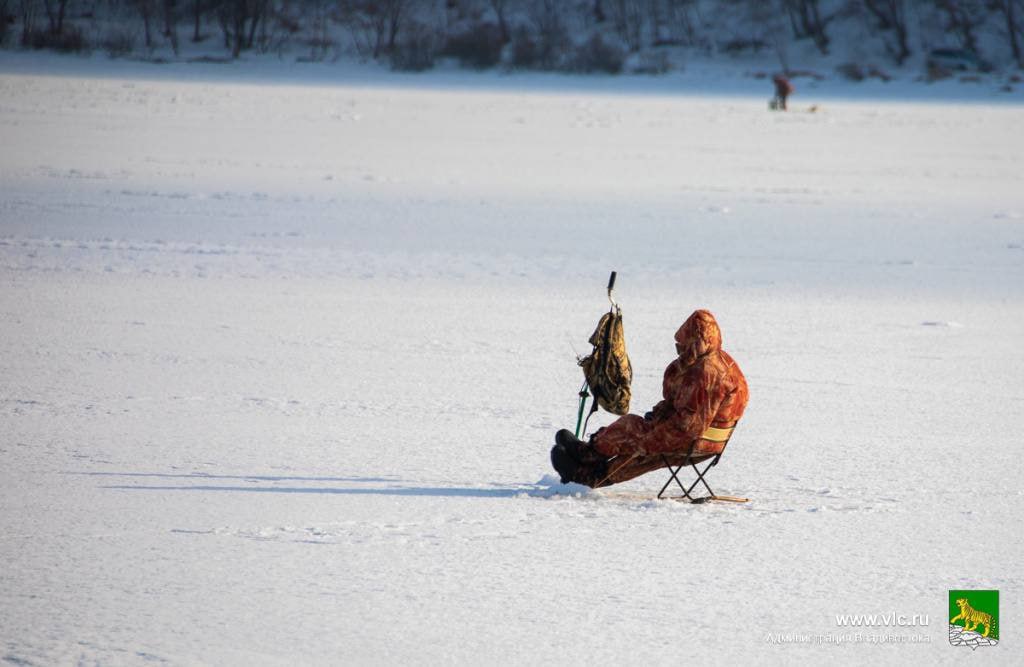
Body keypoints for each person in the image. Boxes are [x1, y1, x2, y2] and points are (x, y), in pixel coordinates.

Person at [550, 309, 749, 487]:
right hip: (710, 441)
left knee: (633, 431)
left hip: (693, 441)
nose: (680, 351)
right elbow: (687, 408)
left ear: (695, 343)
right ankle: (590, 460)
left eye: (682, 346)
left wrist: (650, 439)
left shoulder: (707, 373)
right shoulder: (721, 362)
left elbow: (688, 427)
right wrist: (660, 416)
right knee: (638, 434)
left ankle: (588, 466)